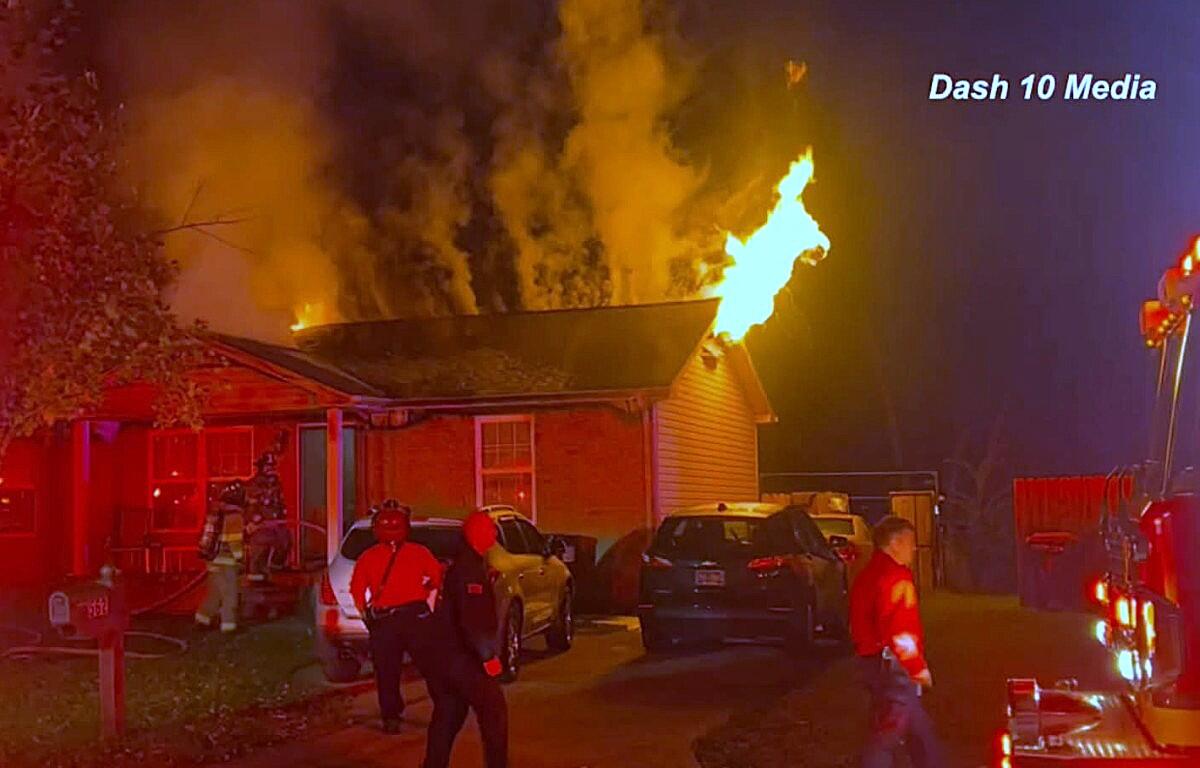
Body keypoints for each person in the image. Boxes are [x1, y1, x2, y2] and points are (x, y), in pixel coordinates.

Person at [849, 515, 945, 768]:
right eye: (909, 541)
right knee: (888, 735)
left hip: (871, 663)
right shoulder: (897, 578)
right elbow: (901, 631)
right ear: (894, 543)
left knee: (920, 731)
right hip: (893, 667)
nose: (913, 548)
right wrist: (917, 669)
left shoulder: (866, 576)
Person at [423, 510, 509, 768]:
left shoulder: (465, 564)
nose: (494, 533)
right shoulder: (469, 569)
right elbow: (473, 620)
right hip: (466, 659)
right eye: (489, 529)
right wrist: (488, 657)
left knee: (448, 715)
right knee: (494, 713)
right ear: (475, 533)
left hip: (447, 658)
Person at [349, 499, 443, 734]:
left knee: (387, 672)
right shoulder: (420, 553)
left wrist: (366, 616)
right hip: (415, 617)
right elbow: (436, 579)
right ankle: (445, 709)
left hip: (384, 621)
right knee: (430, 666)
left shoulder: (367, 557)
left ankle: (391, 717)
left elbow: (357, 591)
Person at [195, 481, 246, 633]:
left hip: (212, 562)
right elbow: (234, 541)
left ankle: (202, 620)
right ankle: (228, 627)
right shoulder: (235, 517)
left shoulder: (216, 514)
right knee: (230, 596)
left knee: (215, 594)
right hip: (227, 563)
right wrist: (240, 559)